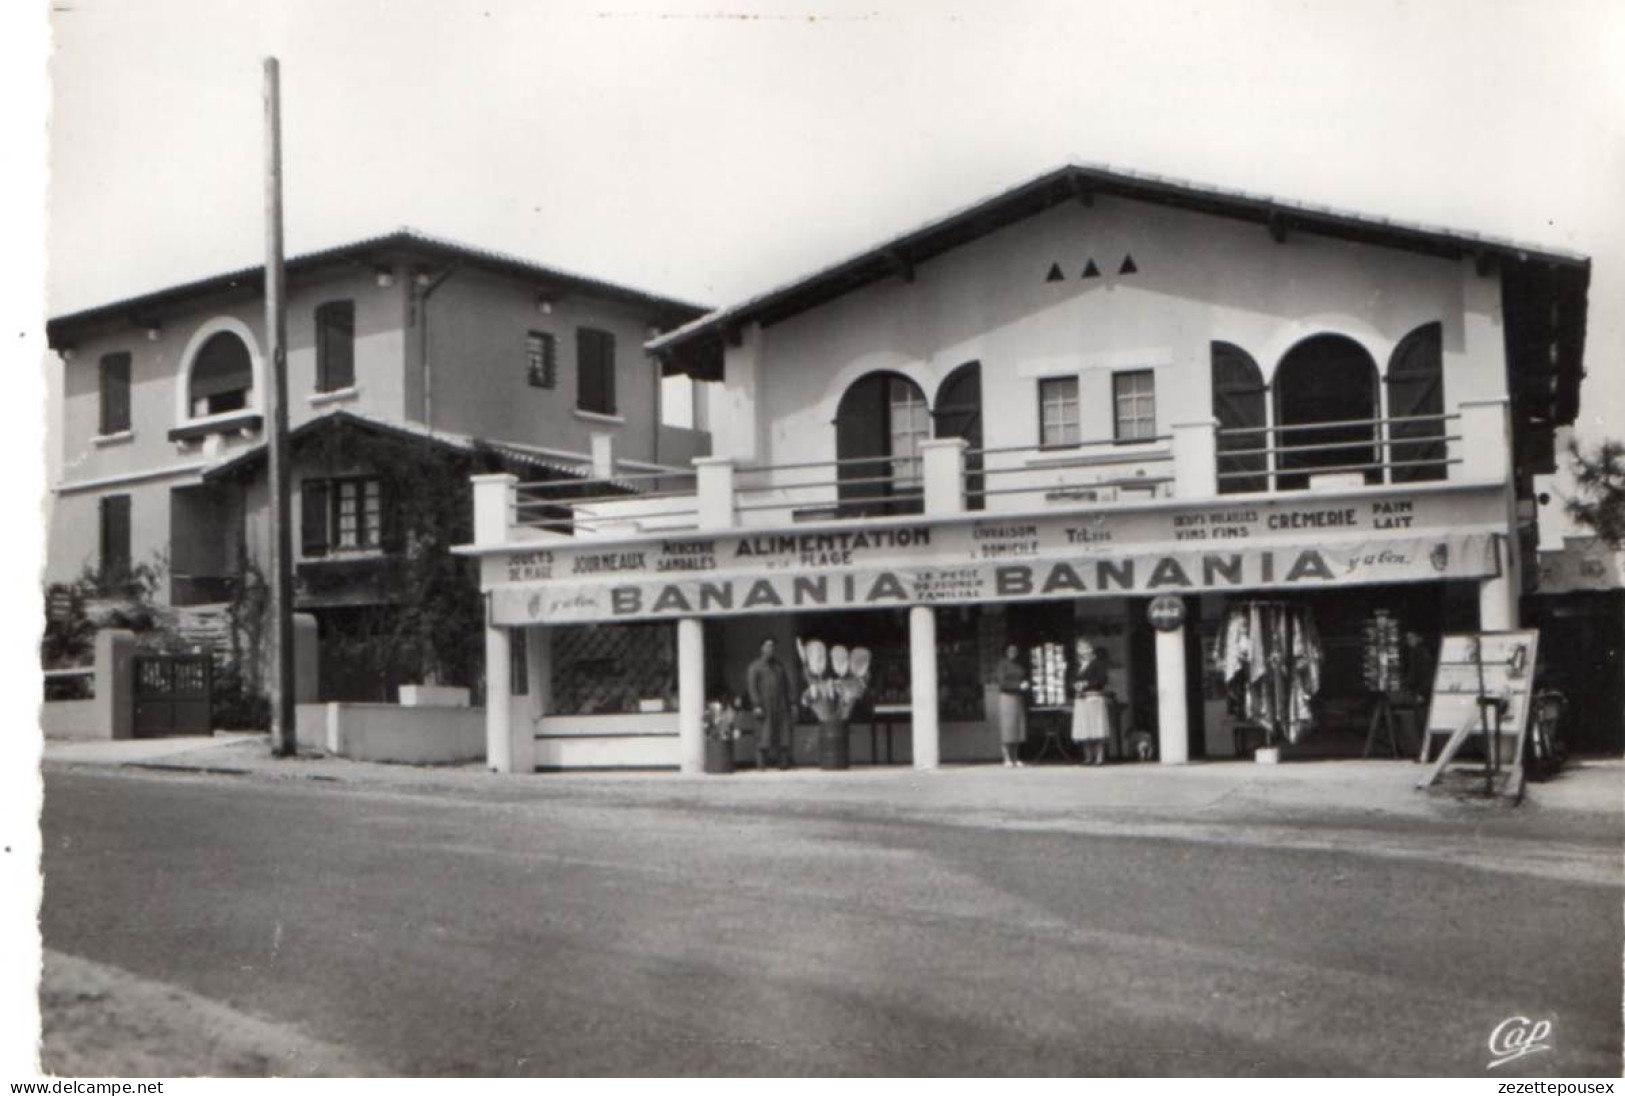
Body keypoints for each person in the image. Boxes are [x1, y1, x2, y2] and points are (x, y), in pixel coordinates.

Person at [747, 637, 795, 770]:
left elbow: (787, 685)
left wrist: (791, 702)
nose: (770, 649)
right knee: (764, 734)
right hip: (764, 706)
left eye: (772, 647)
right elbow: (752, 687)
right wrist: (756, 705)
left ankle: (783, 762)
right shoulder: (755, 667)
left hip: (780, 704)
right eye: (767, 646)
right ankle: (761, 763)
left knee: (783, 733)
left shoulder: (779, 666)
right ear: (761, 649)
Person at [1071, 641, 1111, 765]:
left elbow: (1102, 679)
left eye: (1086, 648)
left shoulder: (1097, 664)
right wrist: (1075, 685)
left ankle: (1099, 757)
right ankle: (1088, 757)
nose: (1083, 651)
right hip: (1081, 699)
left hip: (1094, 698)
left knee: (1096, 727)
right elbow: (1072, 679)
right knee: (1085, 728)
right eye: (1081, 649)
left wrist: (1087, 684)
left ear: (1090, 650)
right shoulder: (1078, 666)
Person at [993, 643, 1029, 768]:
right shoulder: (1002, 664)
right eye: (1010, 650)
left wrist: (1024, 684)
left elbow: (1023, 678)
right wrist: (1018, 685)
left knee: (1016, 728)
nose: (1013, 652)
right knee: (1007, 728)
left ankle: (1015, 758)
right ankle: (1006, 758)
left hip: (1018, 697)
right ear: (1006, 651)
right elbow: (1002, 683)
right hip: (1006, 697)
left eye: (1015, 650)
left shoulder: (1018, 665)